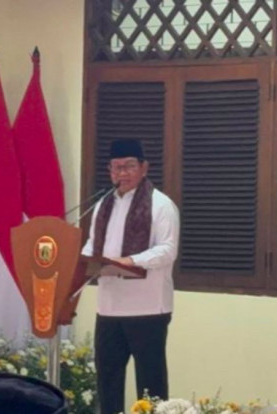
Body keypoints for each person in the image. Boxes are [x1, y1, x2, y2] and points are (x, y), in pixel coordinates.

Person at [81, 139, 180, 414]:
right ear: (109, 170)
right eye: (116, 167)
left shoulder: (161, 205)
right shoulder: (102, 205)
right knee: (107, 379)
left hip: (148, 308)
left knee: (150, 383)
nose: (122, 173)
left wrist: (131, 261)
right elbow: (93, 245)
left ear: (144, 168)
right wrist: (83, 262)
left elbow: (168, 249)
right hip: (109, 307)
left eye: (129, 166)